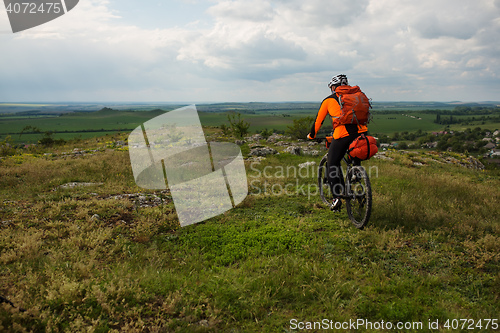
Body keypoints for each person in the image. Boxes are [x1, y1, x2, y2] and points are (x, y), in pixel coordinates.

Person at [307, 74, 368, 211]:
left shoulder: (329, 100)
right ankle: (355, 173)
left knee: (332, 163)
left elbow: (318, 121)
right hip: (362, 133)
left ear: (334, 87)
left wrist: (312, 135)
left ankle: (336, 198)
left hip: (342, 135)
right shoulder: (357, 95)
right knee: (354, 154)